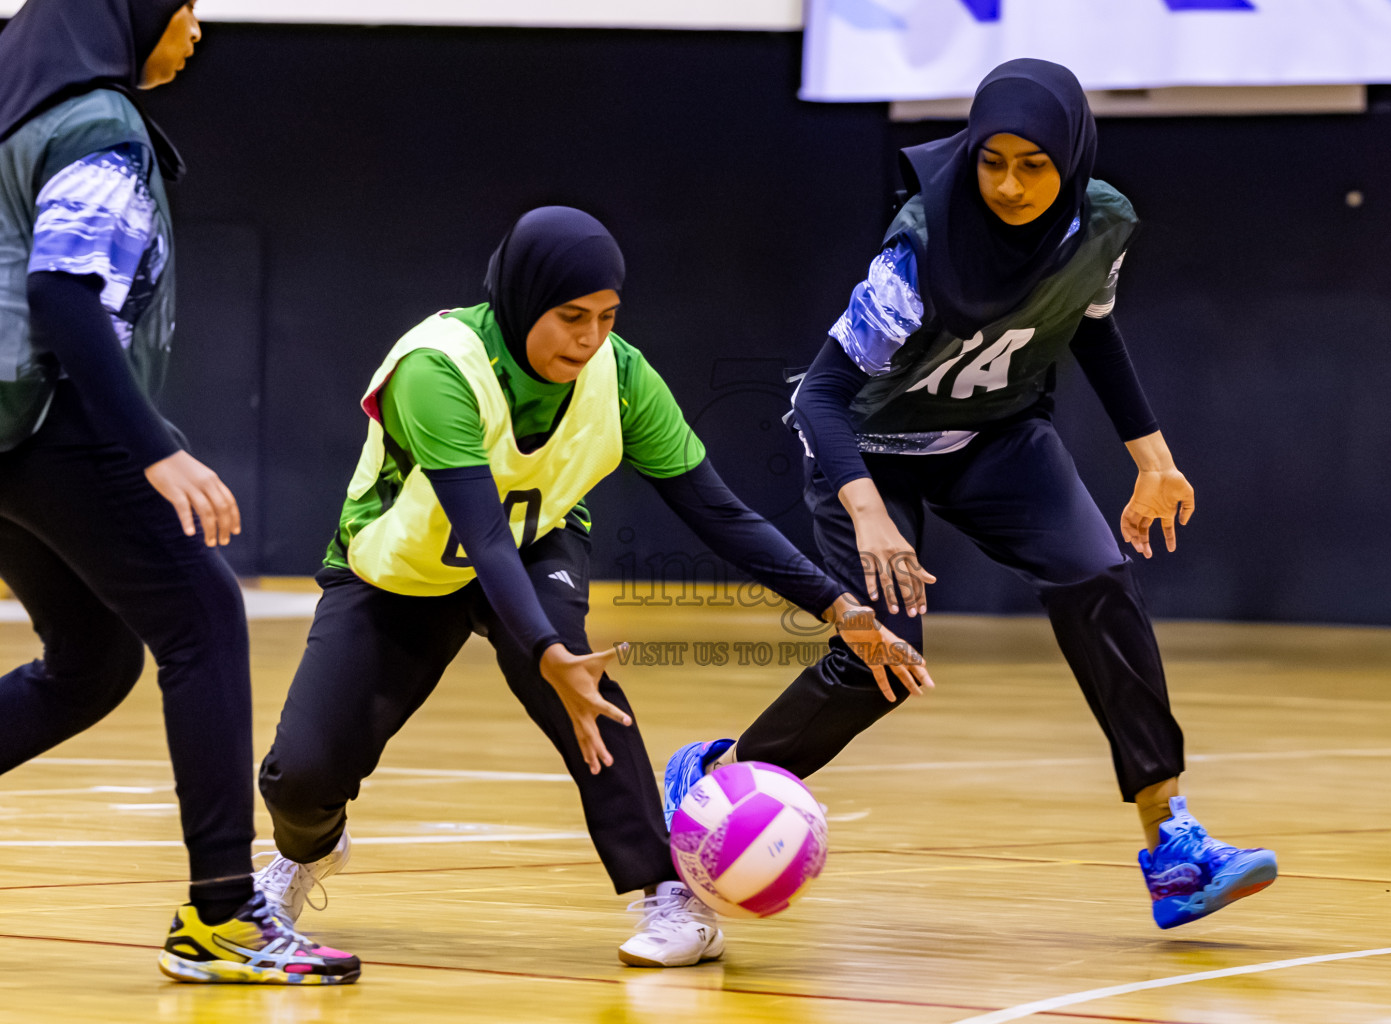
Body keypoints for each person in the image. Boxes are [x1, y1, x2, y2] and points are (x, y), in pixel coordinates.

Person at [664, 59, 1276, 930]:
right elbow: (819, 397)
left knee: (1098, 583)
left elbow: (1091, 329)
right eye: (993, 161)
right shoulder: (918, 249)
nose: (1010, 184)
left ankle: (1172, 847)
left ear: (1070, 157)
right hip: (870, 450)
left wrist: (1154, 458)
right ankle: (721, 775)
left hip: (995, 438)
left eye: (1035, 164)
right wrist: (867, 513)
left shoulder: (1097, 225)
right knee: (883, 661)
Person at [252, 207, 929, 967]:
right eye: (570, 317)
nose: (589, 338)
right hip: (398, 571)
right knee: (299, 778)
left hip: (538, 547)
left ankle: (669, 893)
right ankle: (304, 851)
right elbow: (478, 535)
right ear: (519, 300)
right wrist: (539, 648)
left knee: (585, 687)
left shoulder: (623, 375)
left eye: (607, 317)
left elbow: (718, 511)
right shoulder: (437, 368)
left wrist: (840, 608)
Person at [0, 0, 359, 983]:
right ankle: (224, 917)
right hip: (45, 421)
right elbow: (65, 297)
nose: (195, 29)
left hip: (6, 434)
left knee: (89, 659)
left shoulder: (18, 125)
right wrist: (154, 448)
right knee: (203, 614)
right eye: (186, 6)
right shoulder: (95, 127)